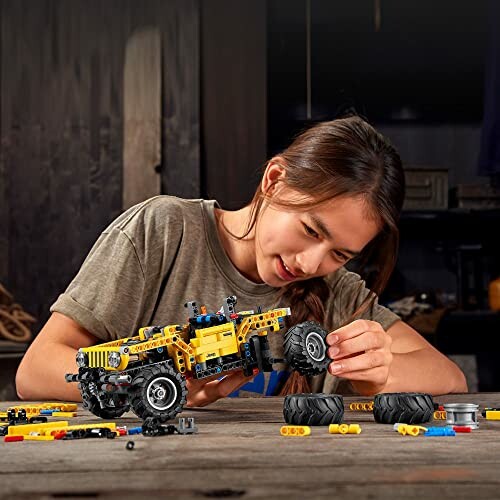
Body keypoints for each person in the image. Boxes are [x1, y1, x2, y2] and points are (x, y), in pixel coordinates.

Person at [15, 116, 467, 404]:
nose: (312, 264)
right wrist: (146, 385)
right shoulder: (164, 232)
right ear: (274, 179)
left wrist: (380, 372)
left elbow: (448, 376)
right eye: (311, 230)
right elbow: (37, 370)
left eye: (340, 254)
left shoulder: (337, 292)